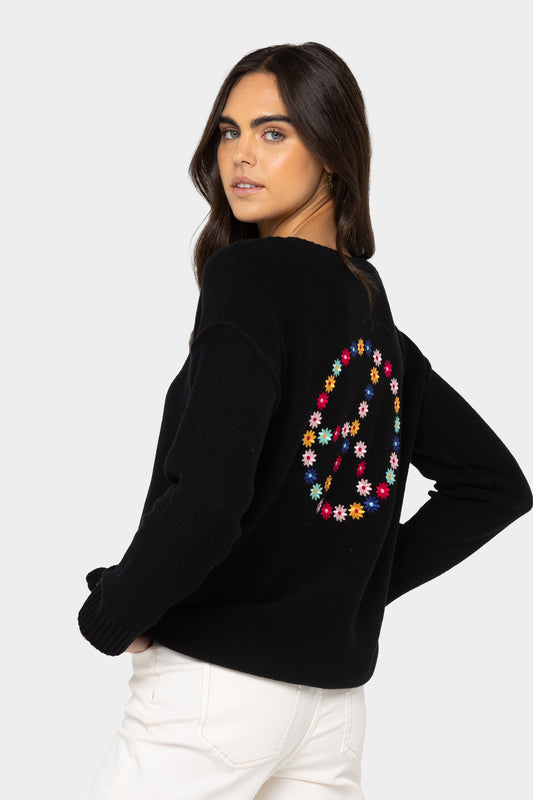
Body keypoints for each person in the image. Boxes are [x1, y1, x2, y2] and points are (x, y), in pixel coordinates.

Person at [78, 42, 532, 800]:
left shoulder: (249, 281)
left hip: (213, 696)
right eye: (229, 132)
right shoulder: (371, 318)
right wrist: (340, 593)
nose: (241, 155)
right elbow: (494, 486)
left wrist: (111, 614)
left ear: (331, 151)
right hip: (330, 714)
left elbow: (208, 498)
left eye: (274, 132)